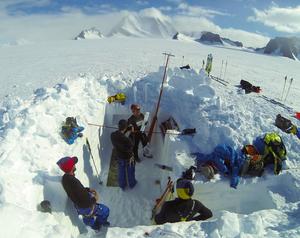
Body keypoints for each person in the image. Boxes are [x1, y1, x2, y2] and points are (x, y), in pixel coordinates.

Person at [57, 156, 110, 230]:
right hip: (86, 206)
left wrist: (88, 189)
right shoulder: (74, 182)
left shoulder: (65, 178)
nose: (75, 165)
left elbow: (77, 191)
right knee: (105, 210)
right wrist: (95, 199)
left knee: (87, 216)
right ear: (71, 167)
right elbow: (86, 202)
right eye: (73, 164)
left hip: (78, 206)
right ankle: (100, 223)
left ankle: (94, 226)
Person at [111, 119, 137, 190]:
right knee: (130, 171)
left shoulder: (112, 135)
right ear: (125, 128)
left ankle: (122, 185)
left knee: (121, 172)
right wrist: (132, 133)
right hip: (128, 158)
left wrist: (126, 130)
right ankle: (132, 184)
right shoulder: (126, 140)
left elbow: (120, 135)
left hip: (119, 156)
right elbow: (132, 144)